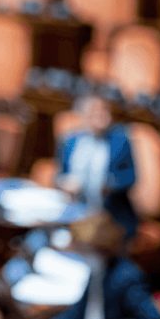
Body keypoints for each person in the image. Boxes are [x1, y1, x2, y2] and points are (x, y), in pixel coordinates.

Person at [52, 212, 160, 319]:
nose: (82, 255)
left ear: (100, 249)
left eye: (84, 251)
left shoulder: (126, 277)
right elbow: (80, 310)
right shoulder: (99, 270)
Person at [56, 95, 139, 240]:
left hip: (109, 216)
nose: (100, 116)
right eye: (93, 112)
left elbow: (130, 177)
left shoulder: (120, 140)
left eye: (104, 111)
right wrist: (64, 183)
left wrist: (110, 184)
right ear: (82, 116)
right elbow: (60, 174)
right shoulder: (71, 141)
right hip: (75, 211)